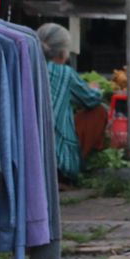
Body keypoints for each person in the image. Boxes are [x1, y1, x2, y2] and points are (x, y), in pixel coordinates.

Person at [38, 24, 109, 182]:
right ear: (63, 53)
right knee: (99, 112)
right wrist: (94, 88)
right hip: (56, 158)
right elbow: (92, 99)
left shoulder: (27, 67)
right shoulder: (64, 73)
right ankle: (70, 168)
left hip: (28, 149)